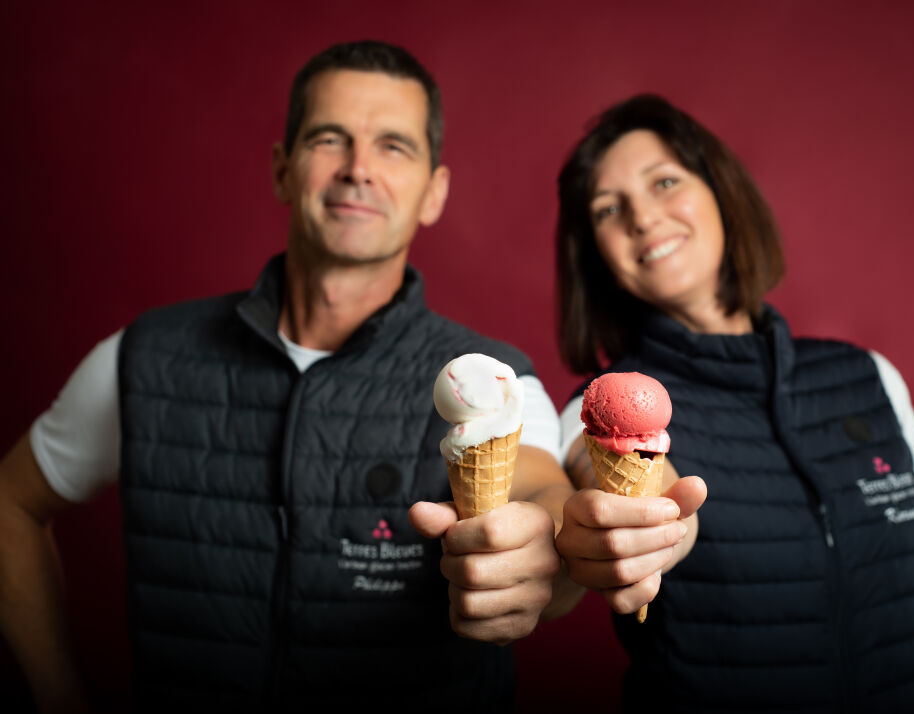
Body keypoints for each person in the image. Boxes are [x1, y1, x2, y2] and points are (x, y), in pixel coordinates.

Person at [0, 40, 580, 713]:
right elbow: (9, 503)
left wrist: (545, 554)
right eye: (330, 139)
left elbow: (546, 499)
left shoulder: (488, 379)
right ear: (283, 170)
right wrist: (56, 694)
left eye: (394, 146)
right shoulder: (144, 358)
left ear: (434, 191)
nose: (359, 170)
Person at [552, 94, 914, 712]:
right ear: (596, 254)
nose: (643, 218)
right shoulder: (597, 408)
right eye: (608, 210)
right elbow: (648, 504)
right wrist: (655, 529)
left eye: (665, 182)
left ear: (719, 191)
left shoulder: (869, 378)